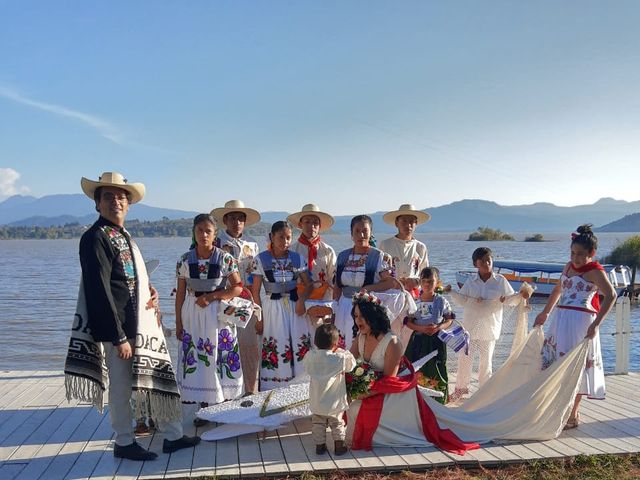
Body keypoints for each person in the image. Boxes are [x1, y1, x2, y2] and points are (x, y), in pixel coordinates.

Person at [70, 171, 199, 461]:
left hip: (142, 324)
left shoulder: (124, 236)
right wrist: (117, 337)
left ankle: (172, 434)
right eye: (108, 196)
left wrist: (149, 291)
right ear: (97, 203)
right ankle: (124, 441)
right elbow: (99, 289)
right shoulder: (95, 238)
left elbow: (130, 279)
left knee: (155, 378)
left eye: (121, 196)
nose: (116, 201)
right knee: (121, 387)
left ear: (128, 204)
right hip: (121, 330)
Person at [346, 292, 478, 453]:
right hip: (375, 384)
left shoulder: (392, 342)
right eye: (355, 316)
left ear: (372, 316)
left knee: (355, 409)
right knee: (351, 407)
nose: (357, 321)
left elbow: (389, 380)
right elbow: (348, 360)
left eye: (361, 316)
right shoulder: (361, 336)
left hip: (396, 390)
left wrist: (363, 393)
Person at [533, 224, 616, 429]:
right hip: (561, 319)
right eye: (572, 253)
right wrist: (545, 312)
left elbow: (611, 295)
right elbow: (557, 290)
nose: (575, 258)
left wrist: (597, 324)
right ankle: (557, 407)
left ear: (591, 253)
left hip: (581, 322)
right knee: (555, 363)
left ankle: (573, 413)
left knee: (576, 367)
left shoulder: (595, 272)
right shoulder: (568, 267)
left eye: (580, 254)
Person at [175, 214, 243, 421]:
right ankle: (203, 405)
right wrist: (179, 322)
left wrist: (212, 296)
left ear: (214, 234)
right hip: (193, 312)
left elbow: (238, 287)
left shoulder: (225, 258)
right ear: (194, 234)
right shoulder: (185, 260)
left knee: (218, 354)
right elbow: (180, 293)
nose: (203, 235)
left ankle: (221, 404)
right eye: (199, 231)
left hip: (216, 312)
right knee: (200, 356)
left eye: (208, 231)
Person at [251, 221, 314, 390]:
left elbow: (309, 284)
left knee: (299, 342)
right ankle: (274, 387)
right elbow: (255, 291)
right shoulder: (261, 259)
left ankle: (300, 386)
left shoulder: (297, 258)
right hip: (272, 308)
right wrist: (259, 318)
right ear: (272, 237)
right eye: (281, 237)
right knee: (276, 342)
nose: (285, 242)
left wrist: (302, 301)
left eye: (288, 238)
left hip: (295, 308)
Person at [450, 247, 517, 401]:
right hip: (471, 327)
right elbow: (462, 300)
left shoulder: (500, 281)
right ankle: (461, 389)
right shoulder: (471, 281)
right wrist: (451, 292)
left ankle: (484, 394)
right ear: (476, 264)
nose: (487, 263)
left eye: (489, 260)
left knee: (485, 364)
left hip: (489, 328)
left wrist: (507, 299)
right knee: (465, 360)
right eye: (483, 261)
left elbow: (513, 300)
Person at [212, 200, 261, 396]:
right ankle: (222, 393)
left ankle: (250, 391)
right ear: (225, 220)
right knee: (224, 345)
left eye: (240, 218)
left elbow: (257, 274)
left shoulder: (252, 245)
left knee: (249, 346)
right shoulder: (216, 243)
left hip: (247, 300)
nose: (236, 222)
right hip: (223, 299)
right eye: (232, 218)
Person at [333, 215, 396, 350]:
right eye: (357, 231)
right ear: (351, 234)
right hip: (343, 307)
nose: (361, 235)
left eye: (365, 231)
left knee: (361, 345)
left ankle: (361, 370)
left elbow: (390, 283)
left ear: (370, 233)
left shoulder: (378, 256)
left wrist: (368, 288)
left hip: (365, 310)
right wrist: (334, 308)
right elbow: (337, 285)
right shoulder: (343, 256)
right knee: (341, 345)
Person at [303, 323, 356, 456]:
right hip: (334, 402)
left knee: (318, 424)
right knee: (337, 423)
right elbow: (352, 365)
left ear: (315, 342)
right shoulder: (339, 358)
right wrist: (343, 351)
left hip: (317, 400)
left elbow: (305, 366)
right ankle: (339, 446)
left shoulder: (310, 357)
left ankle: (320, 446)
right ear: (336, 344)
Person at [404, 267, 454, 403]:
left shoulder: (442, 301)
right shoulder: (415, 301)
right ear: (420, 282)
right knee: (416, 366)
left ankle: (439, 399)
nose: (427, 284)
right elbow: (408, 322)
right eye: (424, 281)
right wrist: (421, 328)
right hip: (418, 341)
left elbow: (449, 319)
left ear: (437, 282)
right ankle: (417, 398)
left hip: (436, 341)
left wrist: (438, 327)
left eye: (431, 281)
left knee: (437, 366)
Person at [287, 203, 337, 303]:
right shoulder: (292, 251)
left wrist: (329, 303)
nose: (312, 226)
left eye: (315, 223)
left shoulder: (328, 251)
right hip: (298, 300)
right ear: (300, 224)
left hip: (323, 299)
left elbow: (333, 279)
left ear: (320, 226)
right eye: (307, 222)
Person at [380, 204, 430, 295]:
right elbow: (378, 273)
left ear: (416, 224)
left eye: (411, 221)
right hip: (389, 294)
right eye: (404, 221)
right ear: (396, 223)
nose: (408, 225)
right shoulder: (385, 245)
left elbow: (426, 275)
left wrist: (415, 282)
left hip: (414, 295)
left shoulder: (421, 247)